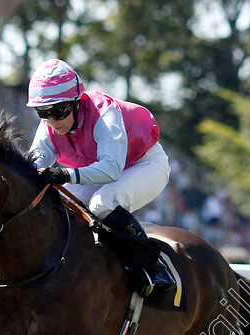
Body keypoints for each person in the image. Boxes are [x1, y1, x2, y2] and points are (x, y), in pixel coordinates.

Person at [26, 59, 175, 299]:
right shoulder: (49, 124)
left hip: (145, 164)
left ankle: (154, 267)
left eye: (58, 111)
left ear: (76, 102)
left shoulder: (105, 113)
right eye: (43, 113)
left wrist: (65, 174)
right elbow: (33, 164)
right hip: (99, 168)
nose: (53, 120)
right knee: (62, 205)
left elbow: (111, 169)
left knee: (102, 203)